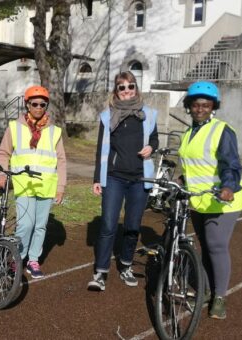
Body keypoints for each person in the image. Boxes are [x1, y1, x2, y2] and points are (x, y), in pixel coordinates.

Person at [179, 81, 242, 319]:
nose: (200, 109)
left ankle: (219, 297)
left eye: (205, 105)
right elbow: (192, 167)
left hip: (224, 199)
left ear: (213, 106)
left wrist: (228, 187)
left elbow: (231, 164)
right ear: (189, 106)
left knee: (216, 245)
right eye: (195, 105)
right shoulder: (188, 133)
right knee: (204, 246)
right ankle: (205, 290)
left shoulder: (222, 130)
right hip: (199, 200)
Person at [88, 71, 159, 291]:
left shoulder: (148, 114)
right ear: (116, 91)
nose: (127, 90)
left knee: (131, 226)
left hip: (140, 178)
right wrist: (96, 179)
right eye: (122, 87)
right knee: (108, 225)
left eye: (131, 86)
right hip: (114, 177)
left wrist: (152, 148)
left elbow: (155, 139)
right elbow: (101, 148)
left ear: (136, 89)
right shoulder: (107, 116)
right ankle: (100, 272)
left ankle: (126, 265)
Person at [0, 85, 66, 279]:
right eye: (34, 103)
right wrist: (2, 173)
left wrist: (60, 188)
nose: (38, 107)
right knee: (26, 224)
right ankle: (18, 258)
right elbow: (3, 153)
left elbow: (61, 160)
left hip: (46, 186)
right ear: (27, 105)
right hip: (24, 184)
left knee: (40, 225)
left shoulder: (54, 131)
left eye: (43, 104)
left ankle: (33, 259)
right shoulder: (14, 127)